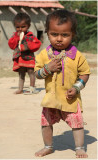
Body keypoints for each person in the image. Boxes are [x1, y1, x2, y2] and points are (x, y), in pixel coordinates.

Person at [34, 9, 91, 158]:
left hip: (70, 99)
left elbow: (85, 73)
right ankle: (48, 146)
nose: (59, 39)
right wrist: (47, 68)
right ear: (47, 33)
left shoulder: (76, 56)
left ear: (73, 35)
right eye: (54, 34)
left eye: (65, 35)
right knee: (46, 123)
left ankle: (79, 148)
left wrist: (77, 88)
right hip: (51, 99)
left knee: (77, 123)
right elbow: (37, 74)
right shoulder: (44, 55)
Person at [8, 13, 41, 94]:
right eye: (17, 27)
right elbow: (11, 45)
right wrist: (16, 38)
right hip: (19, 58)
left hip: (29, 58)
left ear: (28, 26)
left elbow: (37, 44)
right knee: (21, 74)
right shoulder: (15, 35)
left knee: (31, 72)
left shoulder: (30, 36)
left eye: (23, 27)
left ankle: (32, 88)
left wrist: (27, 46)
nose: (20, 29)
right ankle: (20, 89)